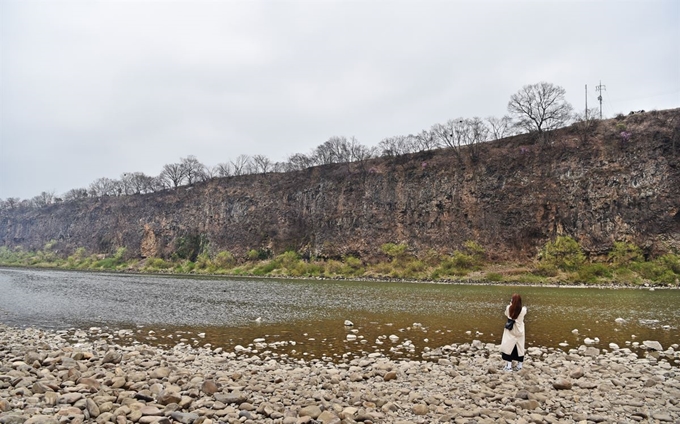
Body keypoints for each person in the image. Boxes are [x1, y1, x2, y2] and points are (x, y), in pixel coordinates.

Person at [500, 293, 527, 371]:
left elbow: (506, 314)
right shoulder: (523, 310)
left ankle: (509, 366)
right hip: (519, 330)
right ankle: (520, 365)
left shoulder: (508, 308)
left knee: (509, 347)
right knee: (519, 347)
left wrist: (511, 305)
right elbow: (523, 312)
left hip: (511, 330)